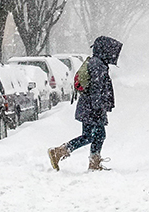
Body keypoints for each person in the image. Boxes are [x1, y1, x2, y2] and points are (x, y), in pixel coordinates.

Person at [48, 35, 122, 172]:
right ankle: (60, 151)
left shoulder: (96, 63)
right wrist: (98, 107)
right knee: (91, 136)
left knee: (96, 135)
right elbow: (96, 89)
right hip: (92, 108)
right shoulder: (98, 65)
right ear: (105, 50)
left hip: (89, 106)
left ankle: (92, 161)